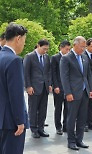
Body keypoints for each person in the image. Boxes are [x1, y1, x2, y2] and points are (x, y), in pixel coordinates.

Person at [60, 36, 92, 150]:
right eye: (82, 46)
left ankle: (79, 140)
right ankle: (71, 141)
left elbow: (88, 75)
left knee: (82, 117)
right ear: (75, 45)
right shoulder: (66, 58)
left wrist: (90, 90)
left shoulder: (84, 57)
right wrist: (68, 92)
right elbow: (64, 77)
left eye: (85, 47)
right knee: (71, 117)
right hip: (73, 93)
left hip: (84, 92)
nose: (84, 49)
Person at [0, 23, 29, 154]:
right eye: (24, 40)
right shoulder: (14, 60)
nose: (24, 44)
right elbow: (16, 95)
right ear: (18, 38)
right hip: (11, 122)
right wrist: (20, 121)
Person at [23, 39, 52, 138]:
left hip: (45, 88)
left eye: (47, 49)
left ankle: (41, 128)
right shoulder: (29, 56)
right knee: (33, 109)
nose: (45, 51)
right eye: (44, 49)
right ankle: (34, 129)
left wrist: (49, 84)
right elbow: (26, 73)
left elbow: (48, 72)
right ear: (38, 46)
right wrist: (28, 86)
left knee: (43, 109)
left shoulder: (47, 57)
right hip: (34, 88)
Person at [51, 40, 71, 135]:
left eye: (69, 49)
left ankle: (66, 126)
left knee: (67, 107)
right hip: (58, 86)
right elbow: (53, 73)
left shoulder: (69, 58)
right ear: (61, 48)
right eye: (66, 49)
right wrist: (55, 86)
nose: (68, 51)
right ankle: (58, 127)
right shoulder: (55, 58)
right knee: (58, 107)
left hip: (67, 87)